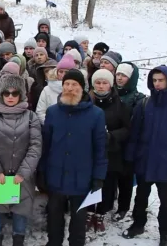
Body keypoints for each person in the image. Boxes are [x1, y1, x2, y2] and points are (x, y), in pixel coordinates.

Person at [39, 69, 107, 246]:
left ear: (82, 88)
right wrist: (42, 171)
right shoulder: (53, 112)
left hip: (82, 178)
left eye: (74, 85)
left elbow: (100, 148)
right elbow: (46, 145)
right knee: (54, 217)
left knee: (78, 221)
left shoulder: (96, 114)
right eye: (66, 84)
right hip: (56, 175)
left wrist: (99, 176)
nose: (69, 88)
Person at [0, 73, 41, 246]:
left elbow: (35, 147)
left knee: (20, 207)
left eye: (15, 93)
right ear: (0, 94)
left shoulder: (31, 117)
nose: (11, 97)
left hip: (21, 176)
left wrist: (24, 172)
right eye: (6, 93)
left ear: (21, 95)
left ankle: (18, 239)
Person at [123, 66, 167, 244]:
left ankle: (166, 232)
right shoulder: (144, 104)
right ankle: (138, 224)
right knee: (141, 196)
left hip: (166, 163)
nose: (157, 84)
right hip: (145, 159)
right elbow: (134, 133)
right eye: (154, 80)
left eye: (161, 80)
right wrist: (130, 157)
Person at [86, 69, 130, 232]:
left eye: (105, 83)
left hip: (111, 152)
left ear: (110, 85)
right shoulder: (87, 102)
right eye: (98, 82)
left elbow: (127, 129)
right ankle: (89, 211)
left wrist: (111, 136)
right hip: (90, 152)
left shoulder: (120, 105)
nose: (101, 86)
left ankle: (101, 214)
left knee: (108, 185)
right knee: (91, 182)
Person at [36, 54, 74, 124]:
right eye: (61, 72)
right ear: (56, 72)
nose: (63, 75)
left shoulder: (77, 89)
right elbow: (40, 112)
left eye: (66, 72)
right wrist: (52, 125)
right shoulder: (47, 90)